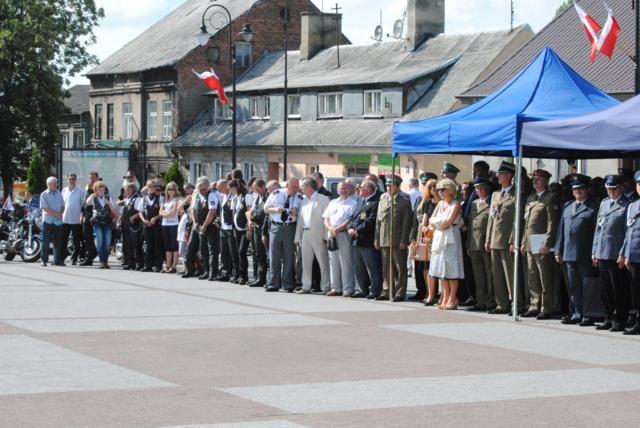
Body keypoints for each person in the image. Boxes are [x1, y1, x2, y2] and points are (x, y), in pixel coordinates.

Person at [555, 175, 598, 325]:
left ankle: (587, 314)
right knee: (572, 286)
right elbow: (561, 229)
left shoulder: (593, 207)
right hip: (568, 253)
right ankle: (575, 313)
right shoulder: (568, 206)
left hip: (584, 253)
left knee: (587, 285)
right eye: (575, 189)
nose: (578, 192)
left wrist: (595, 252)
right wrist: (558, 250)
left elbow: (596, 232)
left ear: (587, 190)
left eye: (581, 189)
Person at [592, 175, 630, 332]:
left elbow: (628, 231)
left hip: (615, 254)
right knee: (605, 289)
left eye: (614, 189)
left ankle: (619, 319)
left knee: (618, 289)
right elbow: (598, 228)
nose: (611, 192)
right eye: (608, 189)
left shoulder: (627, 204)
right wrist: (594, 250)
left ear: (620, 188)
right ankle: (608, 317)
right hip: (602, 252)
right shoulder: (604, 203)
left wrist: (623, 252)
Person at [520, 169, 559, 320]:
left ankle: (546, 307)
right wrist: (523, 241)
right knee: (532, 276)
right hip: (530, 242)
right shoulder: (531, 198)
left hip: (541, 242)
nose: (534, 181)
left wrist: (547, 243)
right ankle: (534, 305)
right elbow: (526, 223)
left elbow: (552, 223)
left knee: (545, 276)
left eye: (538, 179)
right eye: (534, 179)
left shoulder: (550, 198)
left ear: (546, 181)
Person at [485, 161, 517, 315]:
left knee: (510, 275)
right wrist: (487, 238)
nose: (498, 176)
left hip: (506, 240)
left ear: (509, 175)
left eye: (501, 174)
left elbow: (517, 220)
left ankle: (514, 303)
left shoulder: (516, 194)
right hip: (494, 240)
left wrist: (513, 239)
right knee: (497, 275)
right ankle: (501, 304)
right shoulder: (496, 194)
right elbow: (492, 218)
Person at [375, 175, 413, 301]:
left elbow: (407, 222)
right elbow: (378, 221)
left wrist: (404, 240)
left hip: (397, 240)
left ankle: (400, 292)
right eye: (387, 185)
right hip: (384, 238)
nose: (388, 188)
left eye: (391, 186)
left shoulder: (404, 200)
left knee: (400, 267)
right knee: (386, 267)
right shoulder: (383, 199)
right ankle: (386, 291)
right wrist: (377, 238)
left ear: (397, 186)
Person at [428, 178, 464, 310]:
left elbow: (449, 221)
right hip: (440, 236)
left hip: (451, 237)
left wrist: (440, 222)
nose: (440, 192)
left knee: (451, 269)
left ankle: (452, 298)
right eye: (439, 190)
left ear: (450, 190)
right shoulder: (440, 204)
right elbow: (431, 220)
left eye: (443, 189)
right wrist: (440, 223)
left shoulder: (456, 204)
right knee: (441, 268)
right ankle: (445, 296)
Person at [264, 178, 302, 292]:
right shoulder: (277, 193)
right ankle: (273, 283)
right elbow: (266, 208)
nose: (295, 189)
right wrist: (277, 209)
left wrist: (297, 212)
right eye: (293, 187)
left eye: (297, 187)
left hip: (290, 227)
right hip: (276, 227)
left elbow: (303, 213)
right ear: (287, 185)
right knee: (274, 256)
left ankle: (287, 284)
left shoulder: (300, 197)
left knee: (289, 257)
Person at [295, 177, 331, 294]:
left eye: (302, 186)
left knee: (323, 261)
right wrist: (297, 236)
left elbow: (327, 218)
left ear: (309, 187)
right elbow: (300, 220)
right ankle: (306, 286)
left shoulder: (323, 199)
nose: (301, 188)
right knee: (306, 261)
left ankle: (325, 286)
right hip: (305, 233)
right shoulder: (304, 200)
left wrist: (326, 236)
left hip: (318, 233)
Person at [348, 179, 383, 299]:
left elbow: (371, 221)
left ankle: (375, 290)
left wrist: (358, 230)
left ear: (368, 189)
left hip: (367, 240)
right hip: (356, 240)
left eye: (361, 187)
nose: (359, 190)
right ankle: (362, 289)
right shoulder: (360, 201)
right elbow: (352, 217)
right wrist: (350, 228)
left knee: (372, 267)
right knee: (359, 268)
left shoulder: (376, 202)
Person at [323, 182, 358, 297]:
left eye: (345, 188)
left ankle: (347, 289)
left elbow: (350, 219)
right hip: (332, 234)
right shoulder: (332, 202)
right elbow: (326, 218)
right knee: (333, 262)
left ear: (349, 190)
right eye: (341, 188)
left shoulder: (353, 203)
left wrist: (337, 229)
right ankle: (335, 288)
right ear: (337, 191)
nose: (343, 190)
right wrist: (330, 228)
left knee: (346, 262)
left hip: (343, 234)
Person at [466, 177, 494, 312]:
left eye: (481, 188)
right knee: (478, 275)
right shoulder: (474, 203)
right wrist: (468, 244)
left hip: (485, 242)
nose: (478, 190)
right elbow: (471, 225)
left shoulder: (492, 202)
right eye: (476, 188)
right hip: (474, 243)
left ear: (486, 188)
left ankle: (490, 301)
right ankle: (480, 300)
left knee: (489, 273)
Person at [409, 177, 438, 302]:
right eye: (429, 187)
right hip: (427, 237)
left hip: (439, 236)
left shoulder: (442, 202)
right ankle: (427, 292)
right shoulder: (426, 202)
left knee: (436, 266)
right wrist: (420, 236)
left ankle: (436, 293)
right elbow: (420, 221)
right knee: (424, 266)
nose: (432, 189)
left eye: (434, 186)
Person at [621, 171, 640, 334]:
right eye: (639, 184)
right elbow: (629, 231)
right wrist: (624, 253)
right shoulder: (633, 205)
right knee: (636, 291)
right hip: (634, 255)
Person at [86, 181, 116, 269]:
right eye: (100, 189)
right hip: (97, 222)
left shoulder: (108, 198)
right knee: (100, 242)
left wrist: (108, 203)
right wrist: (92, 195)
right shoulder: (93, 198)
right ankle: (102, 261)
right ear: (96, 190)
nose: (102, 191)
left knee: (107, 242)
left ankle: (106, 261)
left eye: (103, 189)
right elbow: (87, 203)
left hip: (107, 222)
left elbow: (114, 211)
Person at [230, 179, 252, 284]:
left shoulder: (246, 196)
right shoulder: (235, 198)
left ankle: (245, 276)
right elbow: (234, 213)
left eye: (232, 188)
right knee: (238, 252)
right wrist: (234, 228)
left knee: (242, 251)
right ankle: (239, 275)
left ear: (236, 187)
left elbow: (249, 210)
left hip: (244, 229)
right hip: (237, 229)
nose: (230, 191)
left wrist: (249, 222)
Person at [247, 179, 269, 287]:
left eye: (257, 189)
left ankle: (269, 279)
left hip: (264, 229)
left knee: (267, 255)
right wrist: (250, 220)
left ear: (263, 186)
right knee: (258, 254)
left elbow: (266, 214)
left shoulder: (268, 196)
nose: (256, 191)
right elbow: (252, 210)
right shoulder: (257, 197)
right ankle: (260, 278)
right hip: (256, 227)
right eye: (255, 189)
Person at [138, 181, 164, 272]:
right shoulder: (143, 199)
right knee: (148, 245)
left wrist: (156, 218)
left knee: (158, 245)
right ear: (147, 188)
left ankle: (158, 266)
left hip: (157, 225)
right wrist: (144, 220)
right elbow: (140, 212)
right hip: (147, 225)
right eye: (150, 186)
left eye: (153, 186)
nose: (152, 188)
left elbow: (163, 212)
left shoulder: (160, 198)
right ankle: (148, 265)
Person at [40, 176, 65, 267]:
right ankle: (44, 260)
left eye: (56, 183)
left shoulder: (59, 193)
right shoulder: (44, 194)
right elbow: (45, 208)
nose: (55, 185)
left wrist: (61, 213)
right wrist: (56, 214)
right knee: (45, 241)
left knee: (57, 241)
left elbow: (63, 205)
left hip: (57, 221)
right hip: (47, 221)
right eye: (53, 184)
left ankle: (57, 261)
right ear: (49, 185)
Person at [60, 173, 85, 265]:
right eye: (70, 179)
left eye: (73, 179)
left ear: (76, 180)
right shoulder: (64, 190)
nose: (71, 181)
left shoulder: (81, 191)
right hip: (65, 219)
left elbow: (83, 206)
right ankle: (62, 258)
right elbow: (61, 204)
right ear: (67, 180)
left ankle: (74, 259)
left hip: (76, 220)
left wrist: (81, 216)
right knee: (63, 240)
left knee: (76, 241)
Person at [119, 182, 143, 270]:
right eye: (125, 190)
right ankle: (130, 263)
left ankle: (139, 263)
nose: (126, 192)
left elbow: (140, 211)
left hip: (135, 225)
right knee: (128, 244)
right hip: (126, 224)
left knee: (136, 244)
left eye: (128, 190)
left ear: (133, 190)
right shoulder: (127, 199)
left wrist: (134, 216)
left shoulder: (137, 199)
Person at [218, 179, 238, 282]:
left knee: (232, 252)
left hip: (230, 228)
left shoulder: (233, 196)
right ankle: (225, 272)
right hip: (223, 227)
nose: (219, 190)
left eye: (220, 188)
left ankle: (235, 273)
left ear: (225, 186)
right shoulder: (223, 196)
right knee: (224, 252)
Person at [79, 171, 99, 265]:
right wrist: (81, 214)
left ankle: (89, 258)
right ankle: (92, 253)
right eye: (90, 178)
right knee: (86, 236)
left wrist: (94, 189)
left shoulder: (101, 187)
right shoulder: (87, 187)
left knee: (89, 237)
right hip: (86, 214)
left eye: (93, 178)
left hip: (94, 215)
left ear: (97, 178)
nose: (91, 180)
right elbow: (84, 202)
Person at [159, 182, 180, 273]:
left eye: (172, 189)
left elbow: (174, 212)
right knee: (167, 246)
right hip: (165, 224)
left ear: (175, 190)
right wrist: (166, 214)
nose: (171, 191)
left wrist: (166, 214)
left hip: (173, 224)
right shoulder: (164, 200)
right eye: (169, 189)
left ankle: (174, 266)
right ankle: (168, 265)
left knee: (174, 246)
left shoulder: (176, 199)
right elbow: (160, 212)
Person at [177, 183, 194, 272]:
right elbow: (179, 209)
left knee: (190, 249)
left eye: (188, 188)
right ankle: (187, 268)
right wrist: (186, 200)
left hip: (193, 226)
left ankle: (191, 269)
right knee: (182, 250)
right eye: (185, 189)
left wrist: (192, 199)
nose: (186, 190)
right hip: (187, 226)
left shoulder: (196, 197)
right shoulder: (187, 199)